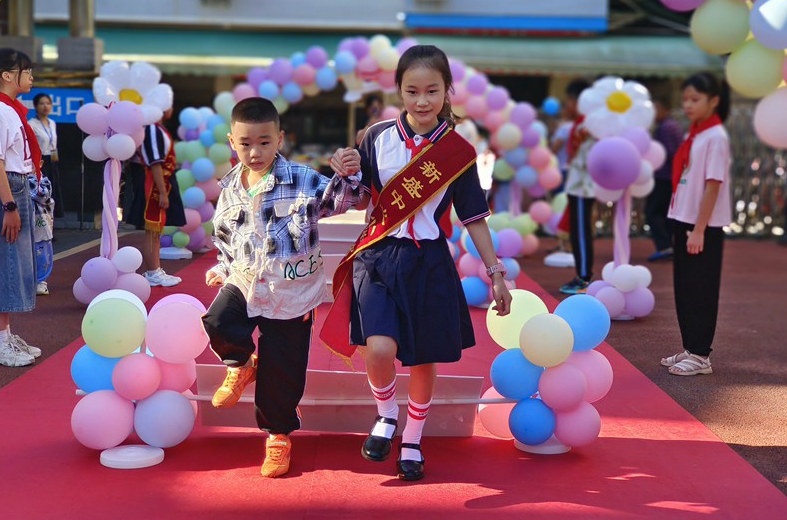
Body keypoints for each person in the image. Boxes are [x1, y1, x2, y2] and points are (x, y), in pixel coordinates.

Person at [321, 44, 512, 482]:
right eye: (412, 91)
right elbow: (362, 197)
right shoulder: (375, 137)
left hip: (428, 260)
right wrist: (346, 170)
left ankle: (412, 438)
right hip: (377, 256)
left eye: (432, 91)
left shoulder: (458, 152)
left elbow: (474, 218)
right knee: (380, 349)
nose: (422, 101)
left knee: (424, 360)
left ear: (447, 92)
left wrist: (495, 272)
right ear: (399, 91)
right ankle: (387, 415)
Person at [201, 97, 364, 478]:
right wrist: (223, 267)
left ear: (280, 139)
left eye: (264, 142)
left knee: (283, 367)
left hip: (292, 290)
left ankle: (278, 436)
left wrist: (349, 171)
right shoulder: (229, 188)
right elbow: (224, 237)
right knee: (218, 320)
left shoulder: (303, 179)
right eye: (245, 143)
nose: (254, 152)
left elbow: (348, 199)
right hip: (245, 279)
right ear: (231, 141)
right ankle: (241, 363)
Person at [661, 72, 732, 377]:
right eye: (685, 99)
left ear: (713, 101)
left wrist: (700, 229)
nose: (688, 105)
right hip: (684, 219)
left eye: (695, 99)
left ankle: (702, 354)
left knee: (701, 289)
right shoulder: (697, 134)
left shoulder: (716, 137)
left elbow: (713, 185)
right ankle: (691, 347)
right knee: (684, 288)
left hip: (701, 226)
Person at [0, 49, 42, 367]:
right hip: (9, 188)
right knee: (9, 261)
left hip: (17, 183)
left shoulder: (11, 110)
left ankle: (6, 333)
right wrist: (9, 204)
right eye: (26, 71)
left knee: (16, 260)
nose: (31, 77)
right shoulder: (1, 110)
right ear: (7, 75)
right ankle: (1, 341)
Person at [125, 108, 186, 287]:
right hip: (152, 185)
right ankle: (152, 272)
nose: (170, 108)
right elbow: (154, 163)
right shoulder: (151, 129)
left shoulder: (158, 128)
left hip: (161, 182)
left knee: (156, 231)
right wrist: (162, 191)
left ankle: (156, 269)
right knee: (152, 231)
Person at [557, 79, 595, 295]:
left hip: (583, 186)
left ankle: (584, 276)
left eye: (570, 101)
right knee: (578, 230)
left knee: (581, 232)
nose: (568, 106)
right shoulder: (582, 123)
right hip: (578, 184)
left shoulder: (587, 125)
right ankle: (582, 273)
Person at [645, 99, 684, 262]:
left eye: (657, 108)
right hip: (670, 176)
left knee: (653, 212)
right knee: (665, 212)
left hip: (663, 176)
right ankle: (669, 245)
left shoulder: (666, 128)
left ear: (665, 110)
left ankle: (665, 246)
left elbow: (668, 152)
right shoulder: (671, 126)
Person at [28, 93, 64, 222]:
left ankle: (51, 224)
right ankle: (40, 225)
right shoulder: (31, 124)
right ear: (36, 106)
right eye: (42, 103)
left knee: (53, 192)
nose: (45, 106)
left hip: (53, 160)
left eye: (48, 103)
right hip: (40, 161)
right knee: (41, 193)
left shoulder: (52, 123)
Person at [29, 172, 54, 296]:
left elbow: (43, 195)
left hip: (41, 227)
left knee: (42, 255)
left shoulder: (44, 181)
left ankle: (40, 281)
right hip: (24, 226)